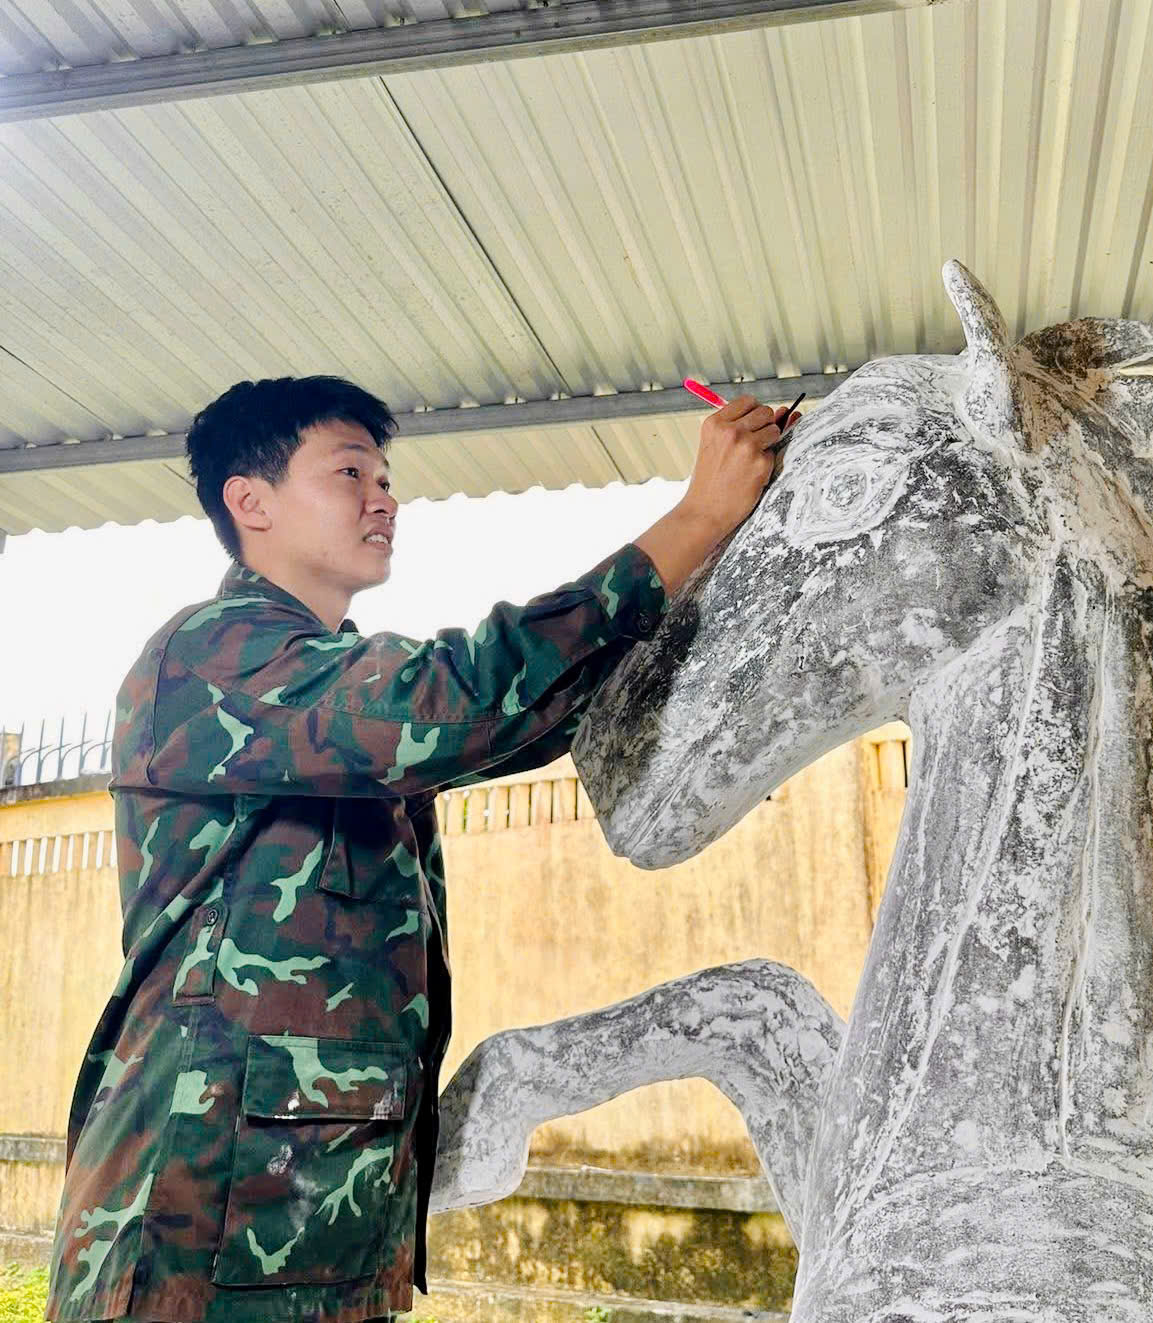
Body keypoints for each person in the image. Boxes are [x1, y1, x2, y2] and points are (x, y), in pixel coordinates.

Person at [44, 376, 801, 1323]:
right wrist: (696, 514)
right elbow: (458, 700)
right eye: (350, 470)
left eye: (386, 475)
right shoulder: (213, 655)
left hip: (314, 1233)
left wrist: (735, 536)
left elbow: (533, 712)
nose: (384, 496)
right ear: (251, 502)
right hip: (194, 1233)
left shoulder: (324, 684)